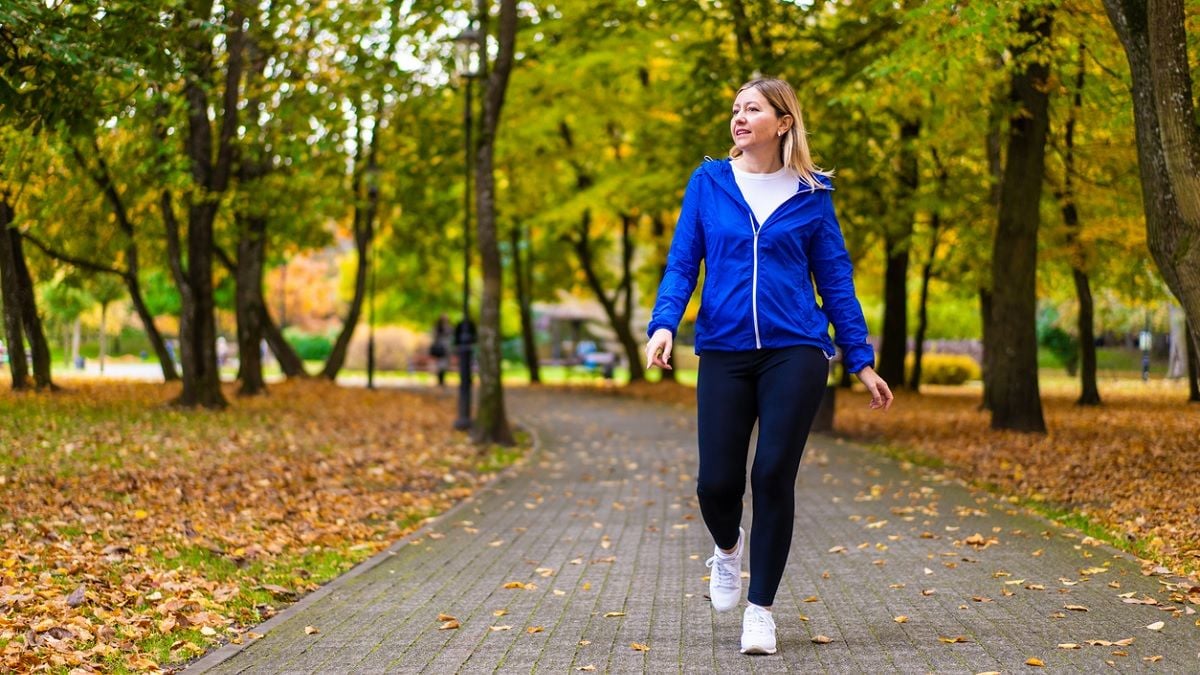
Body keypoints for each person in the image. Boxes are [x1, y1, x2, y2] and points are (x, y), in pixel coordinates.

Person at [644, 77, 894, 656]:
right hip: (725, 349)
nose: (738, 117)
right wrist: (664, 324)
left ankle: (761, 612)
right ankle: (727, 551)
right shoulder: (709, 183)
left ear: (783, 122)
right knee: (718, 483)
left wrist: (861, 359)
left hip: (797, 350)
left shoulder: (812, 193)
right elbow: (683, 263)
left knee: (774, 474)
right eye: (735, 108)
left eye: (752, 108)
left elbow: (834, 278)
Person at [431, 314, 452, 386]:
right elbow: (434, 336)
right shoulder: (438, 327)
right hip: (440, 348)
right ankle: (440, 380)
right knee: (440, 364)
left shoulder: (449, 327)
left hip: (446, 348)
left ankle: (442, 379)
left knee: (444, 364)